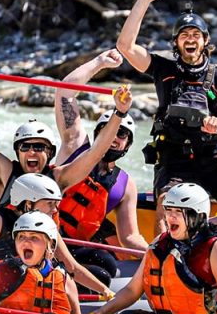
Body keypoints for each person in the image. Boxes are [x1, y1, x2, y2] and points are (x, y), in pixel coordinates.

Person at [115, 0, 217, 216]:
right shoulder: (163, 69)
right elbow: (125, 46)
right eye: (184, 35)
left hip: (214, 157)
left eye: (196, 35)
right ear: (176, 43)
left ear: (205, 41)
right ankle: (163, 251)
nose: (190, 39)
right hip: (173, 159)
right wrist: (144, 0)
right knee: (168, 201)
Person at [0, 58, 133, 206]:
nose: (32, 152)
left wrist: (119, 112)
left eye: (39, 147)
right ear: (18, 151)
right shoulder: (3, 171)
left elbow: (96, 152)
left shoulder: (59, 178)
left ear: (50, 153)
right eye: (26, 146)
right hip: (2, 258)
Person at [86, 183, 217, 314]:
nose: (170, 217)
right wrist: (102, 312)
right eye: (168, 210)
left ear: (198, 216)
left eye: (178, 212)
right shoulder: (159, 244)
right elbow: (132, 291)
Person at [53, 49, 149, 285]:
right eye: (110, 131)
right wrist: (99, 63)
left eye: (122, 134)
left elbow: (129, 237)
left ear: (128, 143)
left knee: (106, 266)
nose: (115, 137)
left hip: (75, 248)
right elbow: (65, 93)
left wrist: (156, 252)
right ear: (98, 134)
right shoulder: (75, 144)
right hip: (47, 235)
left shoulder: (125, 186)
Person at [0, 172, 113, 299]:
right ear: (29, 203)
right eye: (50, 204)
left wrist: (104, 291)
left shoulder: (47, 227)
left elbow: (72, 268)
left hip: (12, 293)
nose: (55, 210)